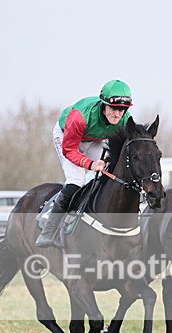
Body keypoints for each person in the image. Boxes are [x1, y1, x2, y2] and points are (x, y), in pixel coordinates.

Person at [36, 80, 134, 248]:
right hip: (67, 137)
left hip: (95, 139)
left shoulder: (126, 120)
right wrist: (89, 164)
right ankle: (48, 229)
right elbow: (69, 150)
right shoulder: (79, 117)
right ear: (103, 105)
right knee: (76, 181)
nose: (117, 114)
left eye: (122, 109)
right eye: (113, 109)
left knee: (110, 174)